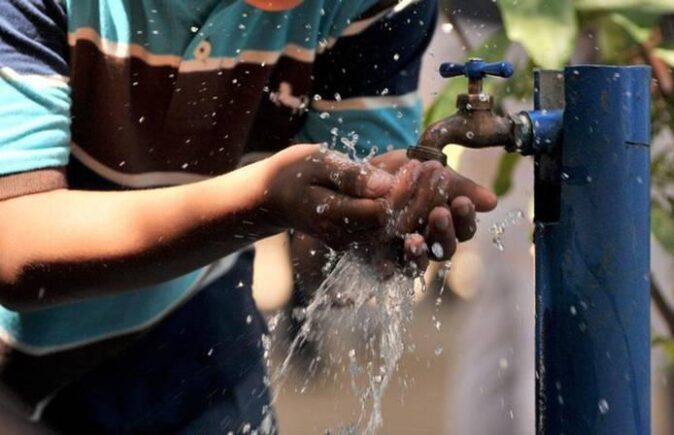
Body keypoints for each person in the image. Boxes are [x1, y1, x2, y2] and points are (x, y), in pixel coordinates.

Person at [0, 0, 496, 433]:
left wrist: (378, 215)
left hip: (187, 323)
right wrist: (260, 201)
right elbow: (13, 240)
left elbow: (325, 246)